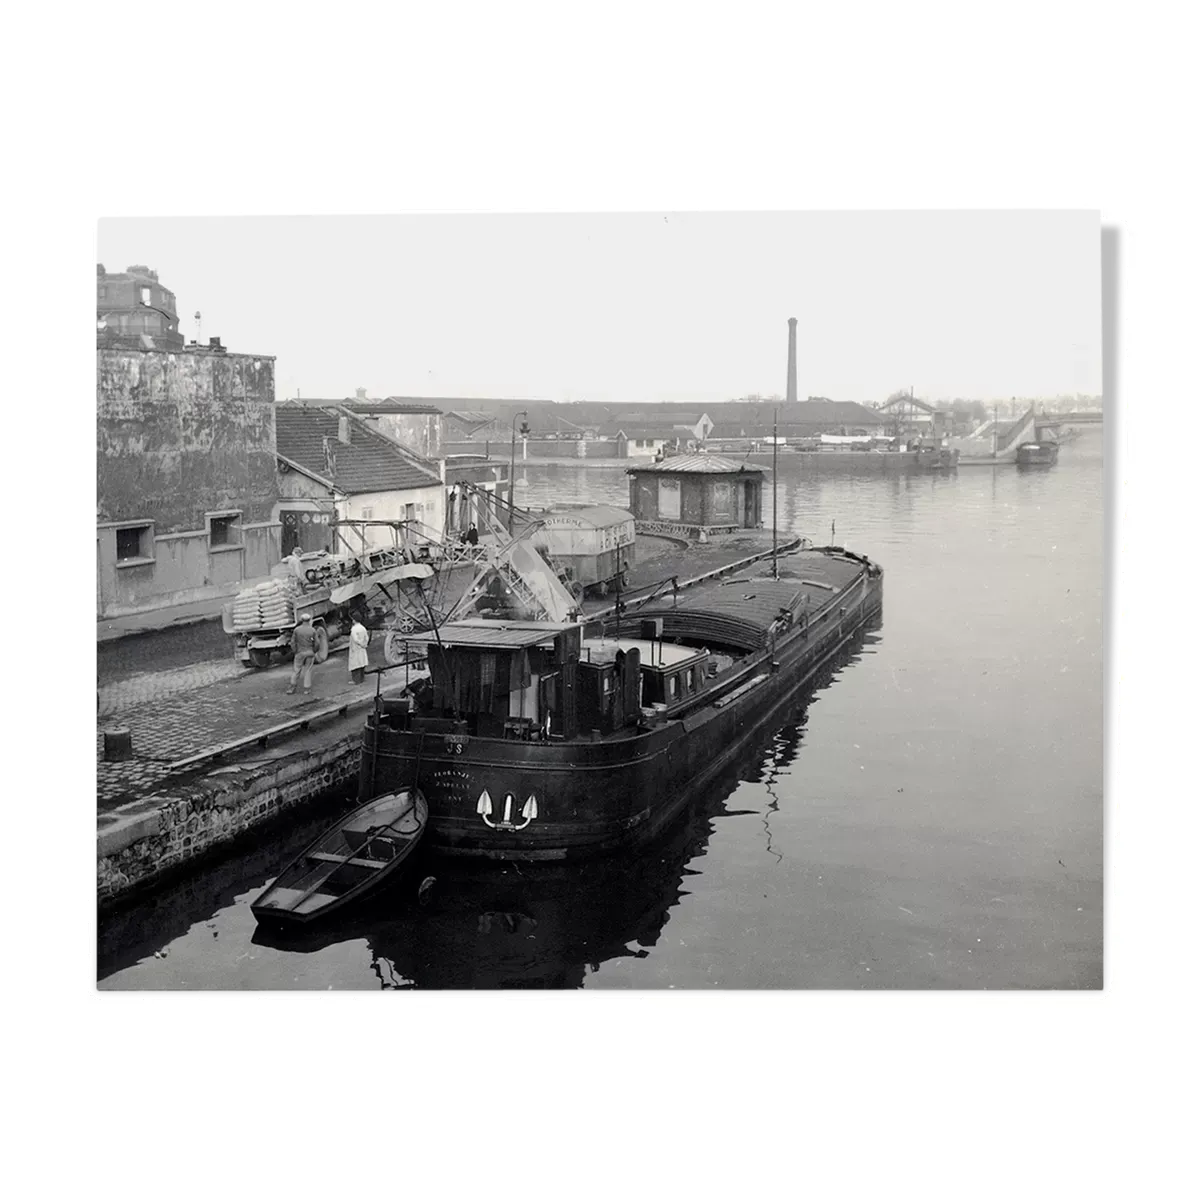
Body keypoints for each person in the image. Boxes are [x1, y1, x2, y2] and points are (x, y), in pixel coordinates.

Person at [287, 612, 317, 695]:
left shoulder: (297, 630)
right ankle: (306, 689)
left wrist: (295, 651)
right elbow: (317, 643)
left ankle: (292, 688)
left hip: (299, 652)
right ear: (309, 620)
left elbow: (293, 642)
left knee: (296, 670)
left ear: (301, 620)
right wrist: (314, 651)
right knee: (308, 670)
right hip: (309, 652)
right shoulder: (312, 630)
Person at [349, 613, 370, 684]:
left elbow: (355, 639)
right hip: (362, 648)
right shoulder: (363, 628)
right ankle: (362, 679)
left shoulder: (354, 629)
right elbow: (366, 637)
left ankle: (356, 681)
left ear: (354, 620)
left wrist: (360, 644)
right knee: (362, 663)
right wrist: (364, 644)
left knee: (355, 665)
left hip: (356, 649)